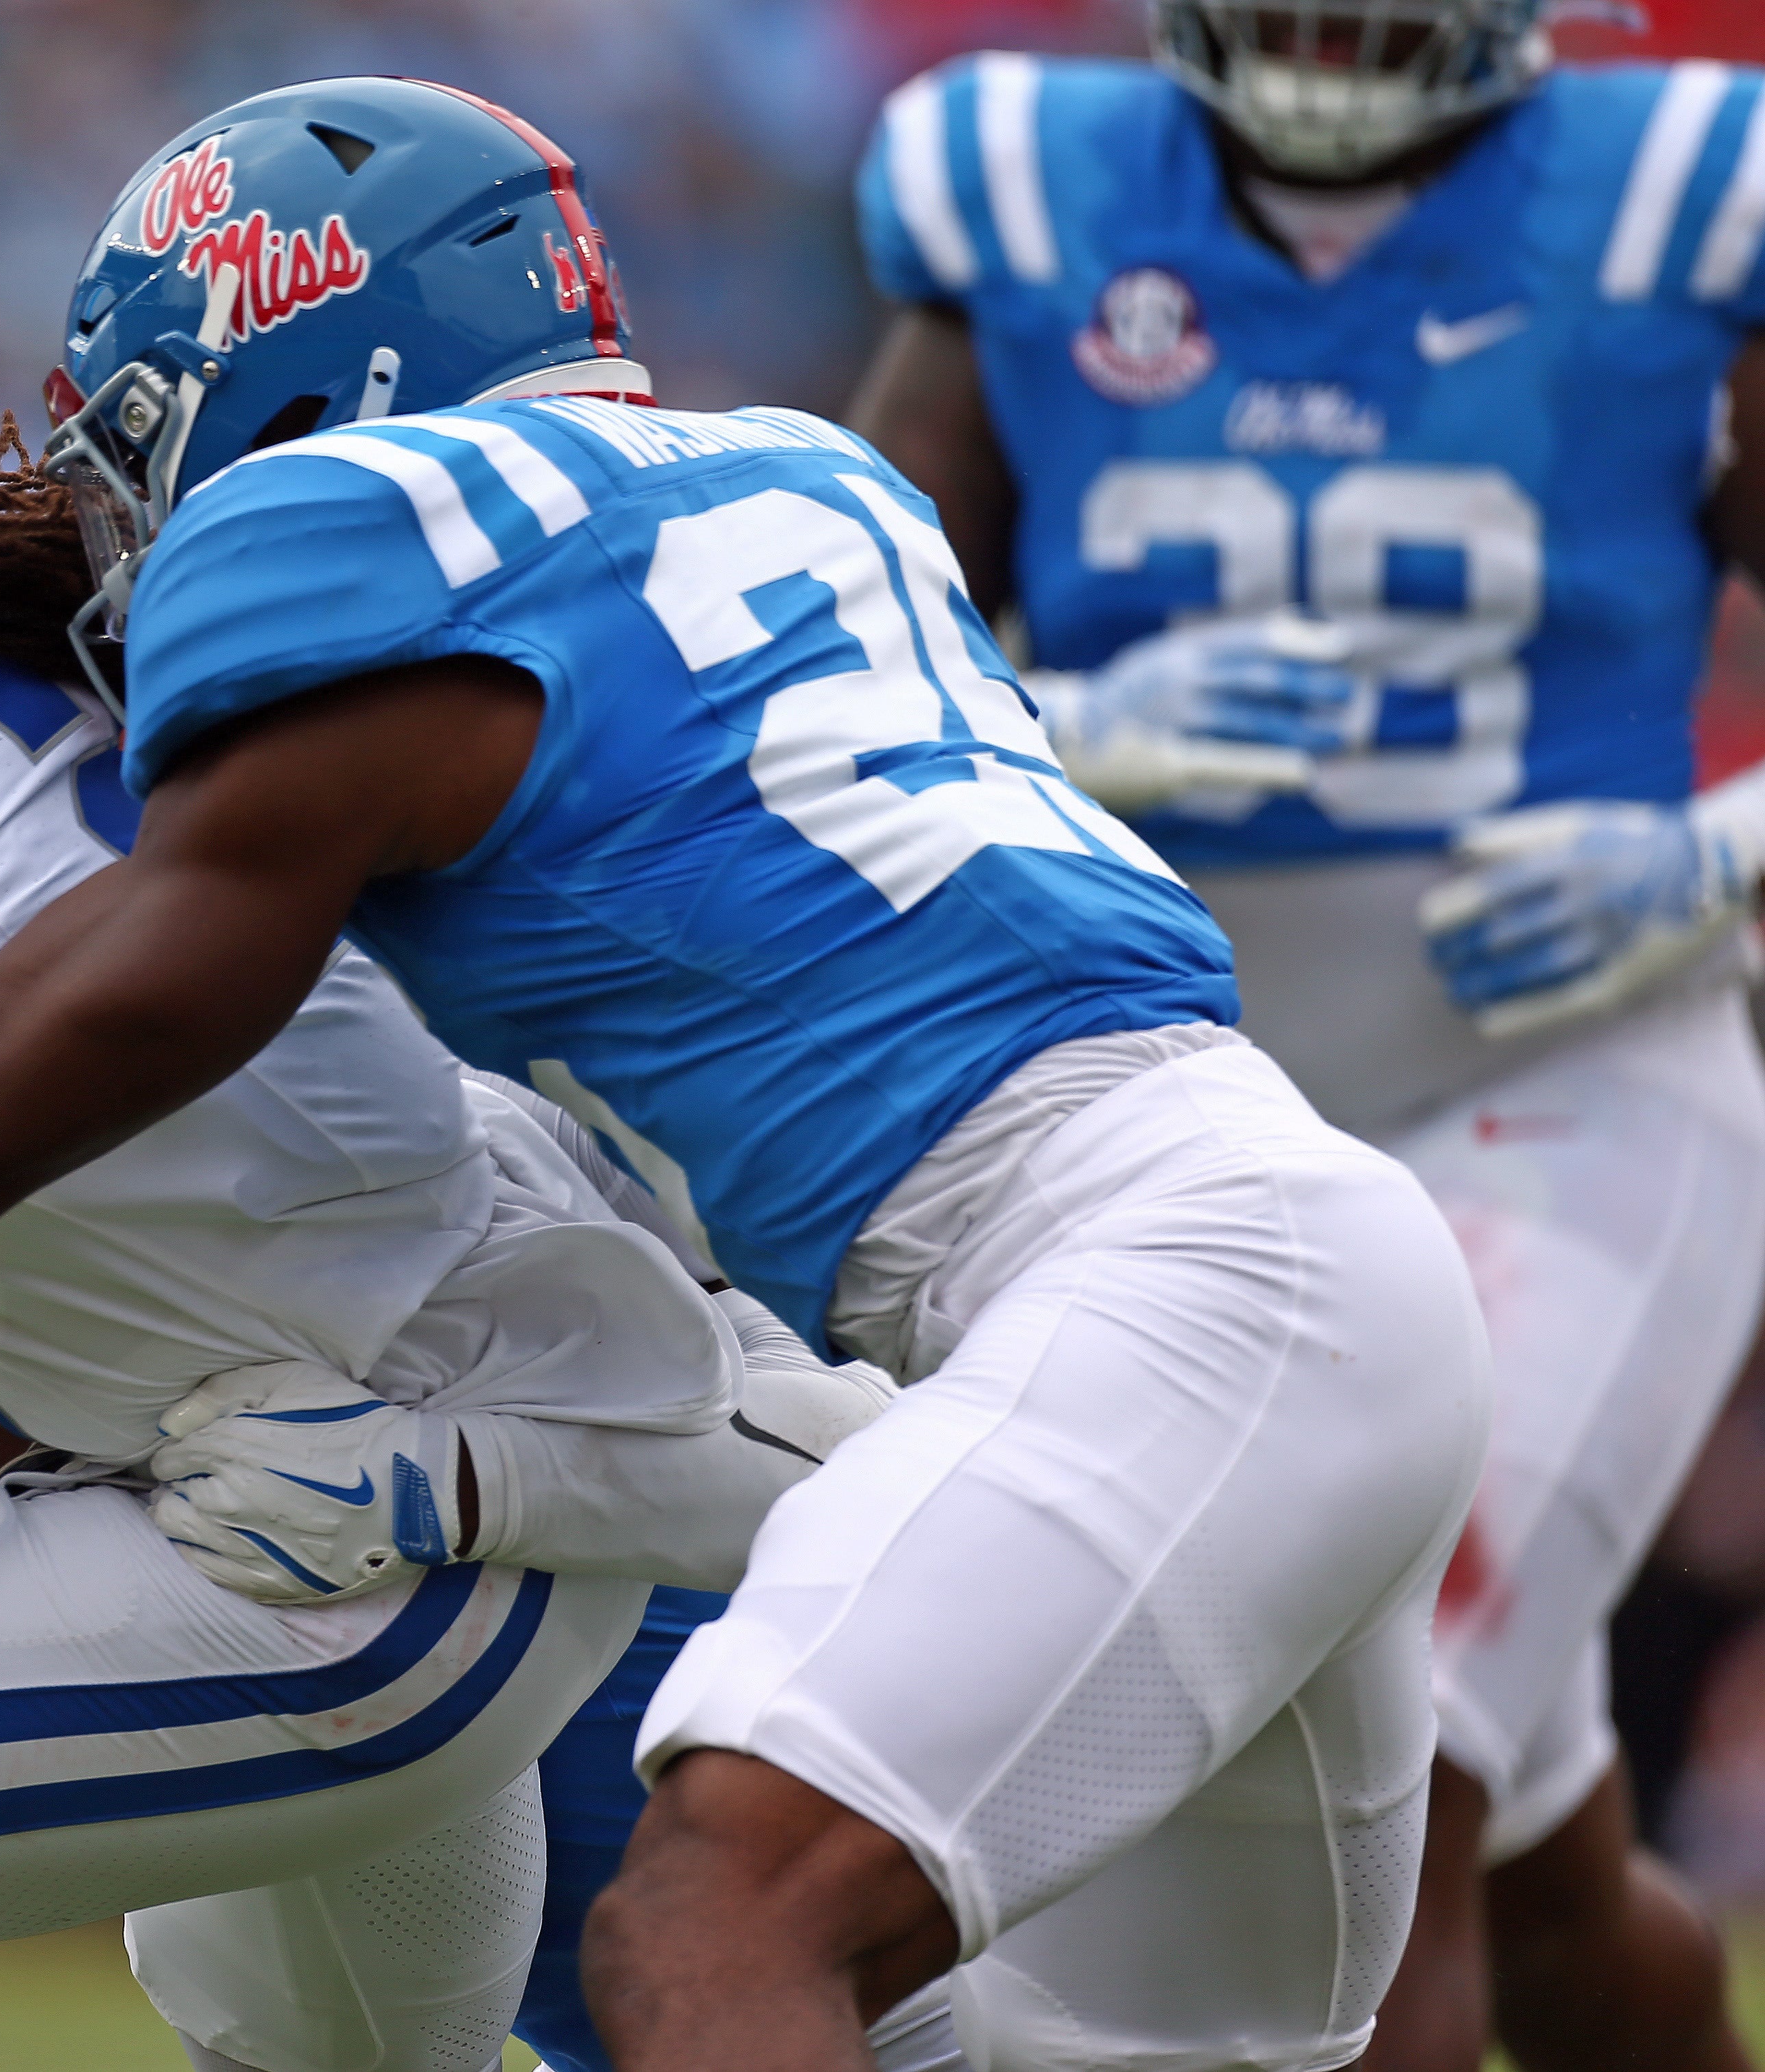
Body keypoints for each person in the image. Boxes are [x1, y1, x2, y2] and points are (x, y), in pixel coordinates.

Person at [0, 82, 1495, 2072]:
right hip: (1204, 1260)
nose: (114, 519)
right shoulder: (790, 483)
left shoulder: (342, 559)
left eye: (149, 438)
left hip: (1113, 1295)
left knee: (707, 1940)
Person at [837, 5, 1765, 2066]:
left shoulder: (1680, 201)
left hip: (1563, 1078)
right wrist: (1062, 726)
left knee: (1379, 1764)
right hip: (1169, 1110)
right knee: (1546, 1893)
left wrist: (1716, 855)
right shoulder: (1024, 189)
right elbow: (847, 654)